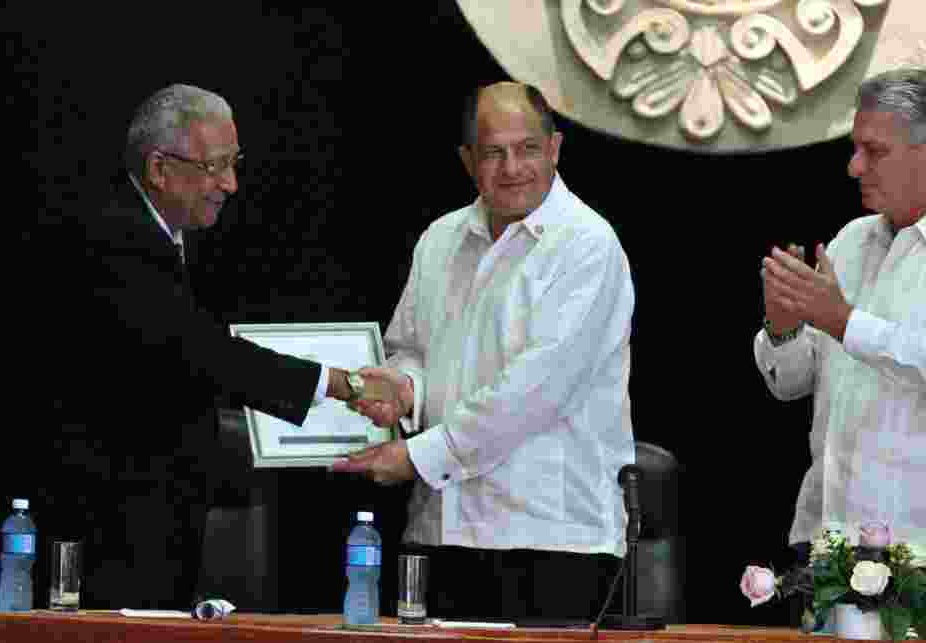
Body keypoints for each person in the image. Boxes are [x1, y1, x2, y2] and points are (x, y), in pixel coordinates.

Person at [40, 84, 390, 610]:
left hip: (148, 508)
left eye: (234, 163)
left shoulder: (156, 232)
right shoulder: (117, 236)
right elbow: (203, 354)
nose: (229, 183)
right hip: (114, 515)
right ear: (159, 168)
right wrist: (343, 383)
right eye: (215, 166)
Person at [331, 82, 637, 622]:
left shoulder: (588, 246)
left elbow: (534, 392)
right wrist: (402, 389)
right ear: (468, 159)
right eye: (494, 152)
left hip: (549, 539)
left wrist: (416, 457)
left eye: (528, 149)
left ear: (556, 149)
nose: (512, 167)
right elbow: (410, 352)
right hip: (440, 529)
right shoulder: (440, 239)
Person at [756, 69, 926, 628]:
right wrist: (783, 327)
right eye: (855, 149)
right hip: (829, 537)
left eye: (874, 151)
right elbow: (791, 382)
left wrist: (844, 322)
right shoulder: (851, 240)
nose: (854, 167)